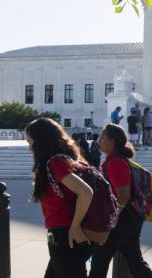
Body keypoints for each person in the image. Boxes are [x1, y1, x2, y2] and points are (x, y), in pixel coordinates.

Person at [21, 118, 94, 277]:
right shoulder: (65, 159)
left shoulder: (55, 163)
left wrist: (75, 226)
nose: (29, 148)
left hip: (65, 234)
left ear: (40, 141)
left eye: (30, 142)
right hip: (63, 233)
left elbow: (85, 192)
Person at [90, 123, 152, 278]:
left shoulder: (115, 163)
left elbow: (123, 195)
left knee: (100, 257)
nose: (99, 140)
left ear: (112, 141)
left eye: (102, 137)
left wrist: (112, 217)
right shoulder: (113, 160)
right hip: (130, 216)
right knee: (134, 260)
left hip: (123, 217)